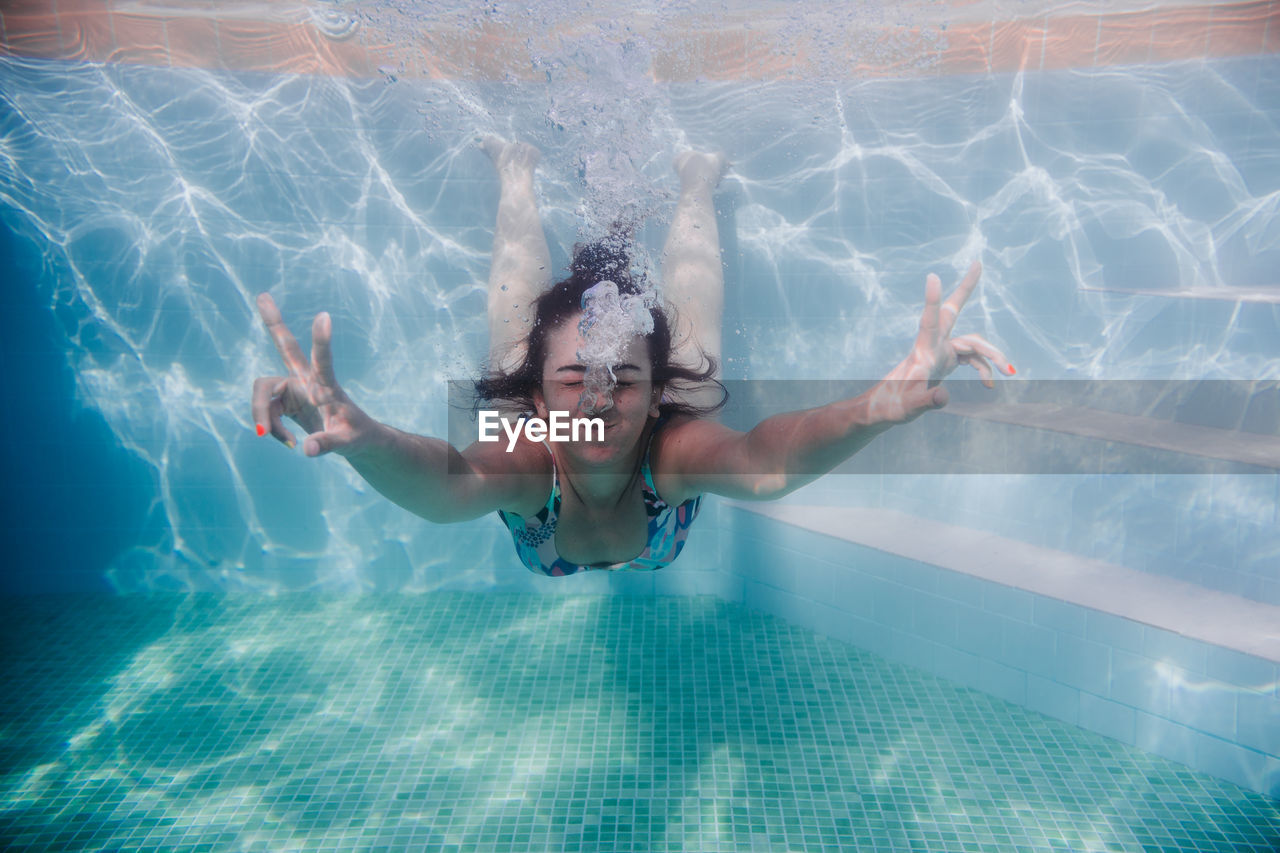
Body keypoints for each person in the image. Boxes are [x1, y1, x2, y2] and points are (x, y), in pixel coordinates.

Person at [251, 139, 1012, 576]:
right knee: (519, 336)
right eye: (574, 380)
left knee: (693, 361)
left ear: (651, 400)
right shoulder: (532, 456)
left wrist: (870, 408)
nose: (595, 400)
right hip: (541, 417)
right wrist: (365, 437)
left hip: (655, 425)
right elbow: (449, 484)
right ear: (547, 400)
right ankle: (516, 168)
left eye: (623, 382)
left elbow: (764, 461)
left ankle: (694, 176)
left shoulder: (670, 446)